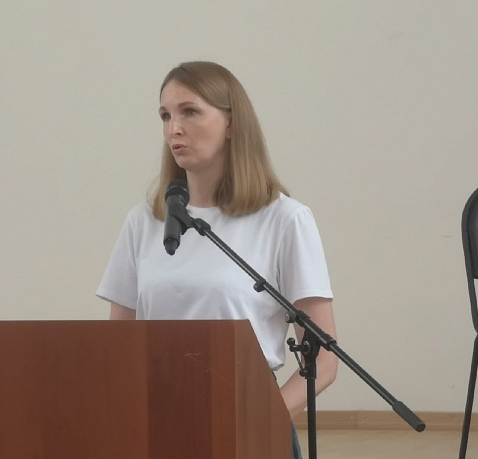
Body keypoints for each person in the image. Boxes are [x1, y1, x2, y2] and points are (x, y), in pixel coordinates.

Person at [96, 61, 338, 458]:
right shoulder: (144, 222)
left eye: (189, 111)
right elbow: (117, 349)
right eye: (165, 115)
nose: (174, 128)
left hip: (248, 423)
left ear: (231, 123)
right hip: (159, 422)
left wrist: (257, 419)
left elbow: (324, 361)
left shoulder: (284, 219)